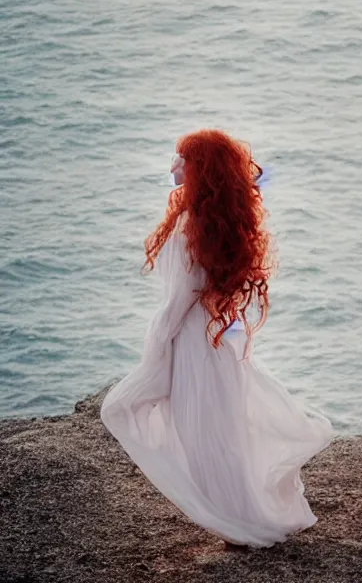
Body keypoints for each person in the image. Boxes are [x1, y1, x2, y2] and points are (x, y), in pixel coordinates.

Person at [101, 129, 332, 547]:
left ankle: (237, 524)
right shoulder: (202, 222)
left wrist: (155, 348)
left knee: (186, 433)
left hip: (191, 344)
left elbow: (179, 300)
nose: (172, 166)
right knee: (218, 436)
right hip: (210, 340)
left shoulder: (191, 225)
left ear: (200, 170)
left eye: (181, 159)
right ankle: (238, 519)